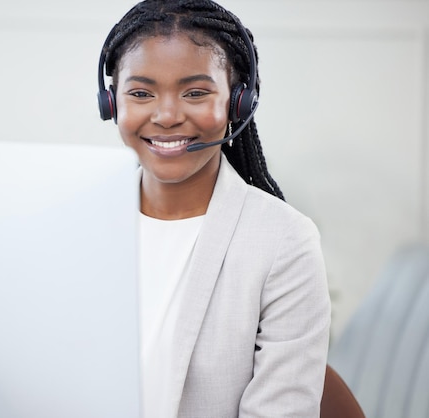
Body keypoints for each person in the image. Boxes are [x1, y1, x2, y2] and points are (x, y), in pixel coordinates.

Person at [97, 0, 331, 417]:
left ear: (238, 103)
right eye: (141, 93)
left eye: (196, 92)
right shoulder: (80, 223)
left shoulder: (283, 241)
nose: (166, 115)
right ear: (111, 103)